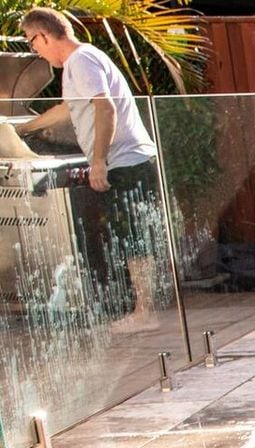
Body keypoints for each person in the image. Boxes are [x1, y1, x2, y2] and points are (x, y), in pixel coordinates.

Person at [16, 6, 163, 326]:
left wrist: (98, 162)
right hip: (126, 160)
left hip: (127, 161)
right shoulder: (78, 63)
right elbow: (69, 109)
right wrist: (23, 129)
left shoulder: (81, 61)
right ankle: (142, 310)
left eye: (32, 42)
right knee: (130, 236)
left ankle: (145, 314)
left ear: (43, 35)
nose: (35, 50)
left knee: (135, 237)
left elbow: (105, 109)